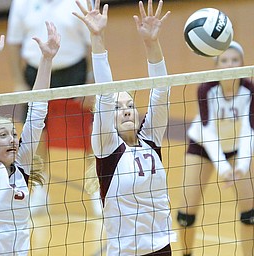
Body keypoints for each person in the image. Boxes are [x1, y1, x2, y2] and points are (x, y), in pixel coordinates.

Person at [74, 0, 176, 255]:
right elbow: (105, 94)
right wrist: (97, 37)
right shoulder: (107, 148)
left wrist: (152, 43)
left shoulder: (150, 139)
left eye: (130, 104)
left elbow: (161, 91)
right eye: (119, 108)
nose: (127, 110)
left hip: (162, 248)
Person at [0, 20, 60, 255]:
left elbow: (37, 113)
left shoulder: (22, 167)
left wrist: (46, 60)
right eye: (3, 135)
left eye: (14, 135)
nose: (12, 140)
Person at [6, 0, 96, 215]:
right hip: (35, 75)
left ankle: (95, 190)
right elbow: (13, 44)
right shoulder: (21, 3)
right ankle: (39, 190)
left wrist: (92, 81)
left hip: (75, 74)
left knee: (91, 134)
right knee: (36, 135)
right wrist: (18, 81)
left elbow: (93, 40)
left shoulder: (80, 2)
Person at [176, 41, 254, 256]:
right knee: (185, 215)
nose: (230, 65)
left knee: (251, 214)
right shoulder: (206, 88)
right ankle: (186, 253)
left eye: (235, 60)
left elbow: (249, 130)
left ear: (243, 64)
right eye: (224, 60)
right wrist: (223, 169)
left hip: (237, 149)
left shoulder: (249, 89)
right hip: (201, 147)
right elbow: (208, 133)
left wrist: (242, 165)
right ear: (216, 65)